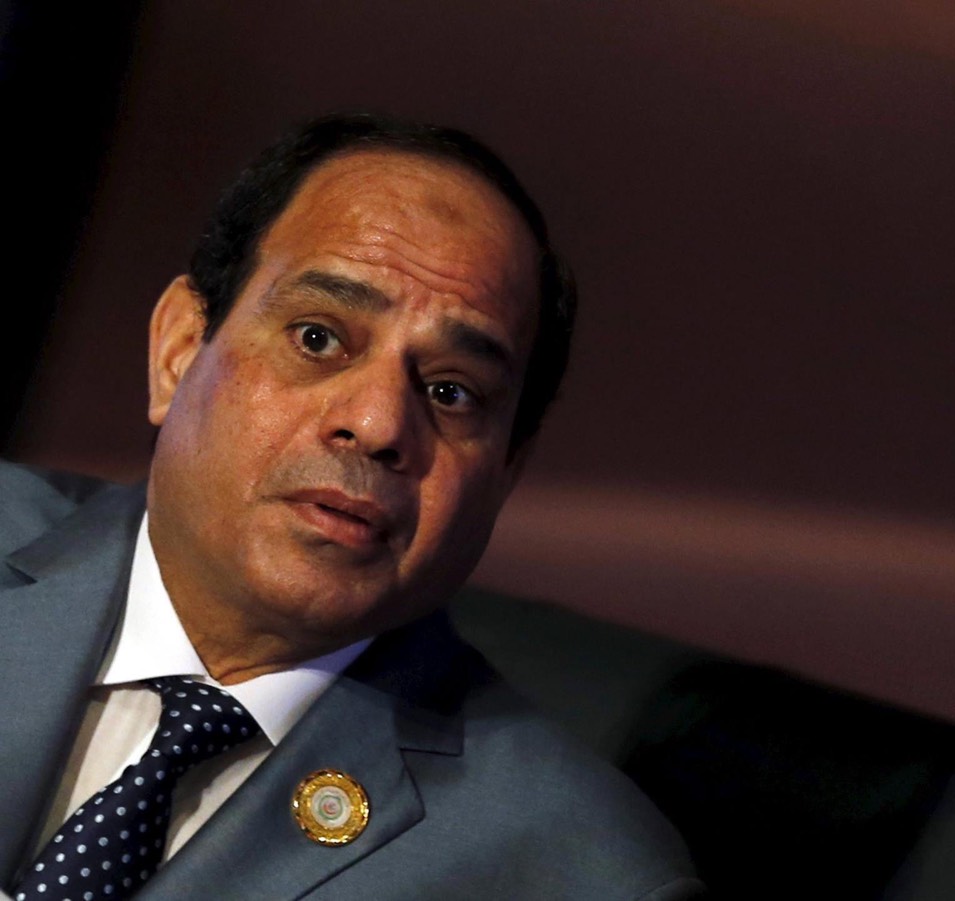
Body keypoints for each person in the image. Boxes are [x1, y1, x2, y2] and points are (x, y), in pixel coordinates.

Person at [0, 113, 703, 900]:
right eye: (318, 338)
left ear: (507, 470)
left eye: (451, 391)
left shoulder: (579, 875)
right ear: (179, 351)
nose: (376, 424)